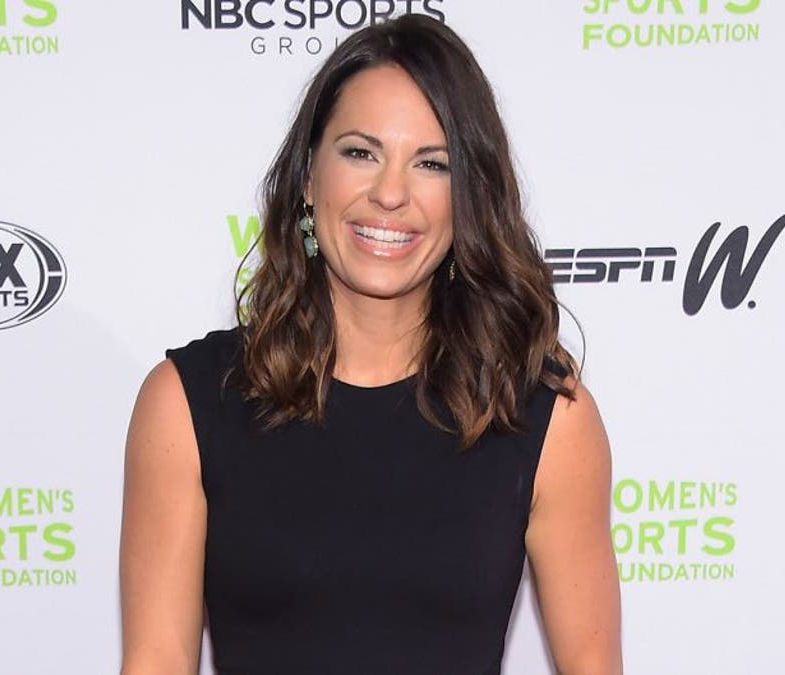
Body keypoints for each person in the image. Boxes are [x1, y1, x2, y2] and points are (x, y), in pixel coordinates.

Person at [118, 14, 621, 675]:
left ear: (468, 196)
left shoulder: (541, 414)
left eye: (432, 163)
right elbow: (157, 660)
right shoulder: (187, 402)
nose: (390, 193)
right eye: (360, 152)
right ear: (306, 175)